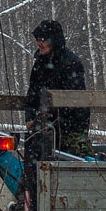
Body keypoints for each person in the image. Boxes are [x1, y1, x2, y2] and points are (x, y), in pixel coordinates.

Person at [22, 19, 92, 160]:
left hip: (70, 128)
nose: (39, 43)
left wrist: (61, 121)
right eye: (37, 39)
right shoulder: (39, 64)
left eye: (42, 39)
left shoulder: (71, 63)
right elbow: (33, 93)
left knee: (71, 163)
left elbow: (76, 100)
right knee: (37, 161)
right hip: (44, 128)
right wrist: (30, 117)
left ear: (53, 40)